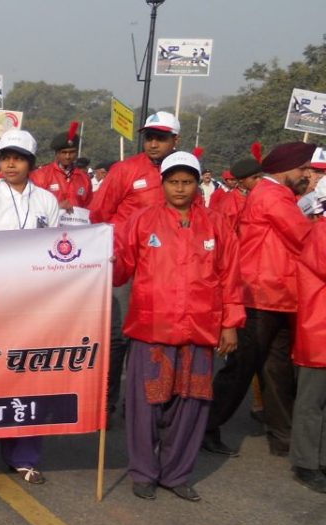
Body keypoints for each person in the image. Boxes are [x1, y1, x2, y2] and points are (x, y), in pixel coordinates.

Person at [113, 152, 243, 502]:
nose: (180, 188)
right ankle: (143, 471)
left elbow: (230, 276)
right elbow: (121, 266)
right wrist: (95, 256)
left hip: (200, 328)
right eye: (173, 182)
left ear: (197, 183)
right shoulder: (142, 221)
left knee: (191, 404)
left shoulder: (217, 225)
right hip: (151, 325)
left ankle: (176, 473)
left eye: (187, 182)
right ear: (163, 183)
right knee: (145, 405)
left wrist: (230, 323)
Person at [202, 142, 315, 457]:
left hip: (275, 294)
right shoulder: (273, 196)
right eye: (303, 169)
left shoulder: (274, 194)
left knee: (274, 369)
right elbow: (304, 237)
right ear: (284, 169)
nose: (306, 175)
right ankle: (206, 425)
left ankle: (283, 436)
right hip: (261, 293)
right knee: (242, 368)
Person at [0, 129, 60, 486]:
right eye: (5, 158)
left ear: (31, 163)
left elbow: (56, 249)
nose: (10, 164)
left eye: (17, 158)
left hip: (34, 303)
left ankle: (25, 456)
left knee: (28, 377)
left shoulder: (47, 201)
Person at [90, 111, 181, 421]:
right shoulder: (125, 170)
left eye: (161, 137)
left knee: (153, 337)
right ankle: (106, 401)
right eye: (149, 137)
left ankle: (141, 403)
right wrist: (122, 245)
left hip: (164, 268)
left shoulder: (180, 175)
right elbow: (99, 213)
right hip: (125, 264)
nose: (153, 143)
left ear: (175, 141)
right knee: (118, 337)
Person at [290, 193, 326, 492]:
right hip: (319, 331)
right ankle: (306, 463)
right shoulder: (321, 233)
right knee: (311, 403)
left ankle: (320, 459)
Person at [32, 123, 93, 217]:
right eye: (63, 153)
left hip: (76, 229)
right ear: (56, 154)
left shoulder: (84, 178)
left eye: (71, 152)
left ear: (77, 153)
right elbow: (33, 206)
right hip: (50, 228)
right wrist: (57, 207)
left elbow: (88, 207)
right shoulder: (41, 175)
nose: (68, 156)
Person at [209, 152, 263, 231]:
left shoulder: (258, 196)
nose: (260, 181)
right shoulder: (230, 204)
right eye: (255, 178)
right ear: (241, 180)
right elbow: (226, 233)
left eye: (261, 177)